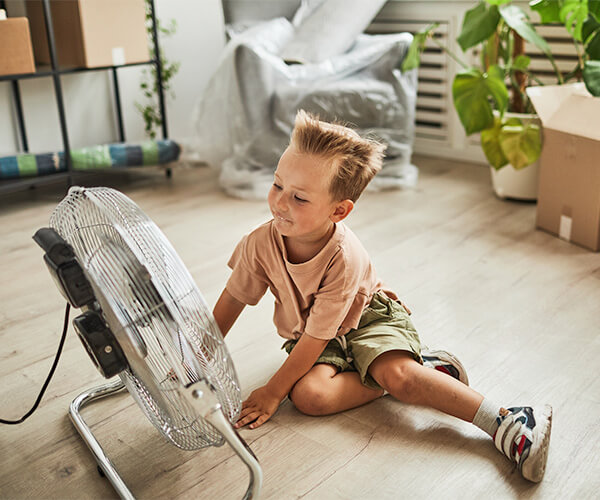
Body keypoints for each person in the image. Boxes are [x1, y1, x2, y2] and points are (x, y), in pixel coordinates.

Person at [212, 110, 552, 483]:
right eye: (278, 186)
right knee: (310, 397)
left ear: (339, 210)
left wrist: (273, 392)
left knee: (401, 378)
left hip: (368, 318)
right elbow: (233, 299)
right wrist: (197, 353)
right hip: (315, 332)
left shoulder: (344, 257)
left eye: (300, 198)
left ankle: (508, 421)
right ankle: (427, 369)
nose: (280, 203)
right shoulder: (259, 243)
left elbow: (317, 338)